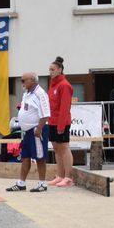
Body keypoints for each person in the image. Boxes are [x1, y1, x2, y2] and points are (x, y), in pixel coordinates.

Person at [6, 71, 51, 192]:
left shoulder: (40, 94)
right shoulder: (26, 93)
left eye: (24, 80)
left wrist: (39, 129)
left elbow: (46, 114)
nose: (22, 83)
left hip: (37, 129)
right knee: (25, 156)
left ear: (32, 80)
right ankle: (21, 183)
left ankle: (42, 183)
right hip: (27, 131)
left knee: (40, 157)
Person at [47, 56, 74, 187]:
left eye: (52, 69)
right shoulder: (53, 85)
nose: (50, 72)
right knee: (56, 149)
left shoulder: (64, 85)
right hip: (52, 121)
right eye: (49, 70)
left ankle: (68, 177)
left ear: (59, 70)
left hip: (61, 122)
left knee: (64, 148)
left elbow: (64, 107)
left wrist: (61, 125)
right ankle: (60, 175)